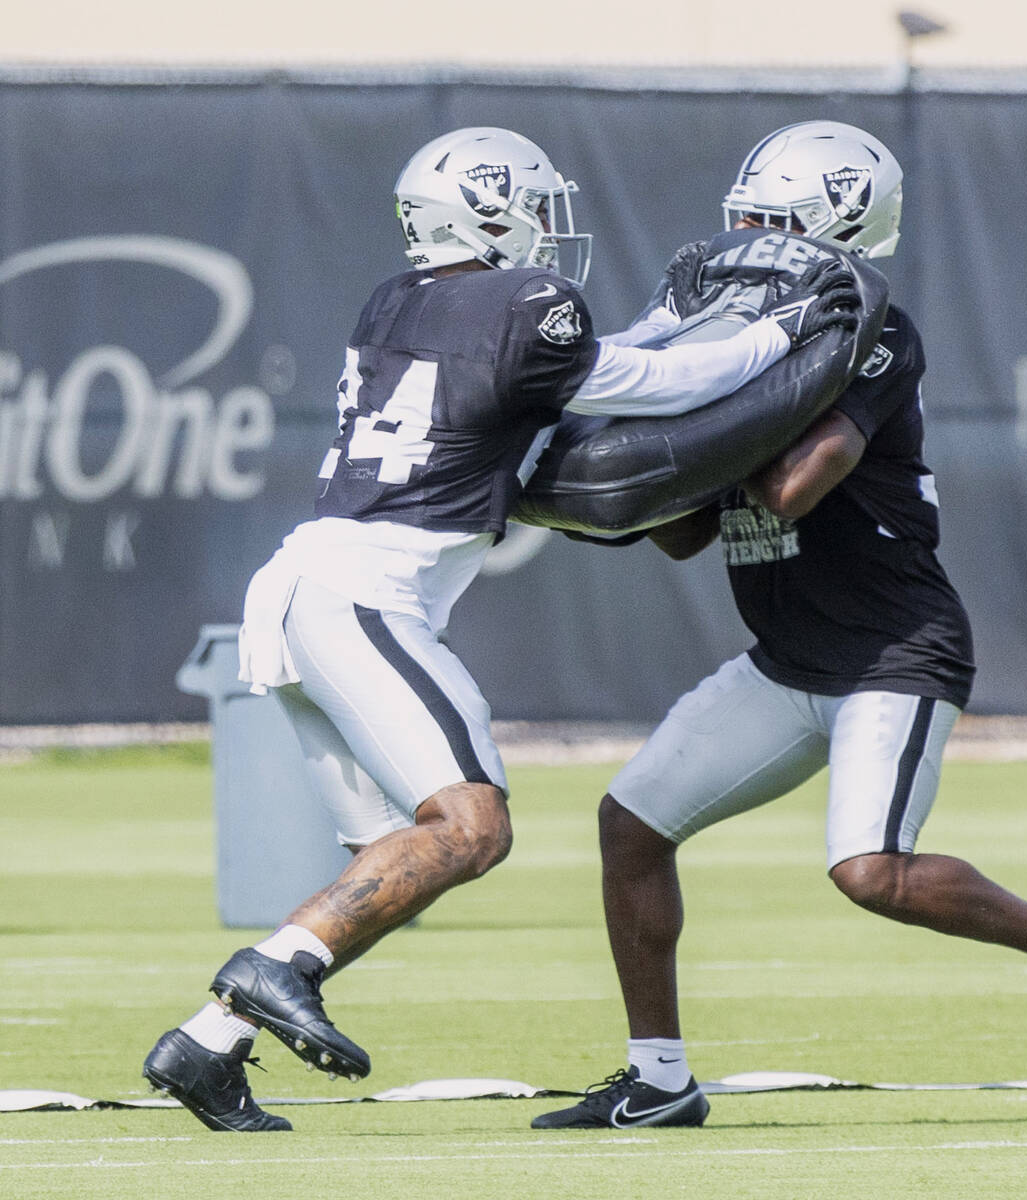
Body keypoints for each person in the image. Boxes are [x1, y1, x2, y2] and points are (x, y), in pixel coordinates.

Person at [141, 125, 856, 1132]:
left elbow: (569, 372)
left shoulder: (398, 299)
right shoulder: (530, 302)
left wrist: (663, 325)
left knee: (392, 860)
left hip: (303, 587)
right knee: (475, 828)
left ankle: (206, 1045)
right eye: (532, 205)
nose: (549, 232)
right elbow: (658, 386)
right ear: (486, 210)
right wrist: (784, 339)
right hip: (366, 594)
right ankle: (269, 969)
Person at [533, 120, 1027, 1130]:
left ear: (839, 219)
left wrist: (690, 428)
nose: (755, 243)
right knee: (631, 827)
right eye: (747, 221)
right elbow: (683, 537)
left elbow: (795, 485)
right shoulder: (726, 345)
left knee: (871, 871)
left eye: (776, 222)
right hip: (788, 662)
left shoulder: (874, 330)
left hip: (894, 656)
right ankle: (660, 1077)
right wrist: (616, 477)